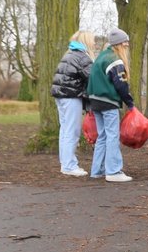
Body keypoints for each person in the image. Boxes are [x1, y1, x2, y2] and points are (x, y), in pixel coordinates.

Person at [86, 29, 134, 182]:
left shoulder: (101, 57)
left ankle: (97, 170)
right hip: (108, 101)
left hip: (95, 101)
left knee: (102, 136)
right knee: (113, 135)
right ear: (119, 44)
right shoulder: (115, 60)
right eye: (125, 43)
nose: (126, 46)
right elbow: (121, 85)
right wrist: (130, 103)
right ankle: (113, 171)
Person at [50, 31, 96, 177]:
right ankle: (70, 165)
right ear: (87, 41)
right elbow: (92, 78)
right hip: (71, 96)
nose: (94, 43)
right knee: (72, 131)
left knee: (64, 130)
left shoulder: (69, 54)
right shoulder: (82, 57)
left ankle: (65, 163)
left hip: (61, 95)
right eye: (93, 40)